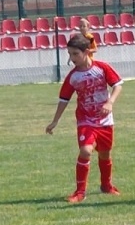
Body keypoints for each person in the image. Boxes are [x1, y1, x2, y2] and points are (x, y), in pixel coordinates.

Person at [45, 32, 123, 203]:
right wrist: (55, 121)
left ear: (87, 52)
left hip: (105, 120)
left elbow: (117, 85)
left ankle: (106, 185)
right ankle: (80, 192)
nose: (72, 58)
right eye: (70, 54)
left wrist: (110, 103)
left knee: (104, 154)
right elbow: (63, 99)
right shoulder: (73, 76)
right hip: (86, 120)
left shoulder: (101, 68)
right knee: (86, 151)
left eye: (75, 54)